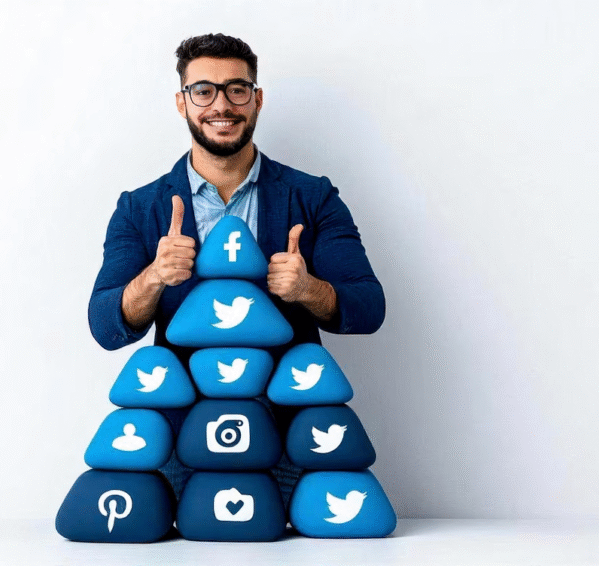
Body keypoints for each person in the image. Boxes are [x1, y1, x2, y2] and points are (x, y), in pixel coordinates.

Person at [87, 33, 385, 502]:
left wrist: (308, 288)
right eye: (203, 90)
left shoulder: (312, 198)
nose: (220, 105)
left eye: (236, 89)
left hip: (289, 436)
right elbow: (105, 325)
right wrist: (153, 277)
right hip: (180, 436)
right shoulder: (139, 208)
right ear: (182, 103)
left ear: (257, 99)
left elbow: (369, 309)